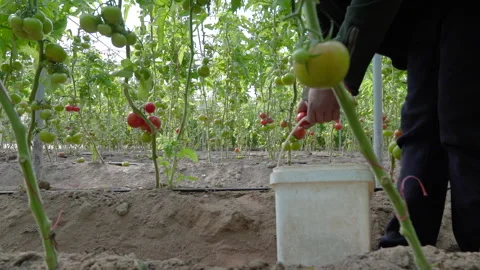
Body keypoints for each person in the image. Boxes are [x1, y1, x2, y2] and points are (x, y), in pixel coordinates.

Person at [300, 0, 480, 252]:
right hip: (424, 12)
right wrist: (317, 83)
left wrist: (338, 77)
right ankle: (407, 242)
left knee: (463, 122)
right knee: (420, 129)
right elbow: (324, 21)